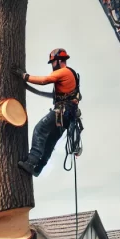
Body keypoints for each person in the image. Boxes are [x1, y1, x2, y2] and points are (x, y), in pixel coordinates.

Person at [18, 48, 81, 176]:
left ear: (58, 61)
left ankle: (31, 162)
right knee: (50, 140)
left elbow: (44, 80)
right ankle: (39, 167)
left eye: (53, 62)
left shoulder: (63, 72)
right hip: (68, 115)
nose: (52, 65)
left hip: (63, 110)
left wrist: (25, 77)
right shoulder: (72, 74)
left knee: (40, 130)